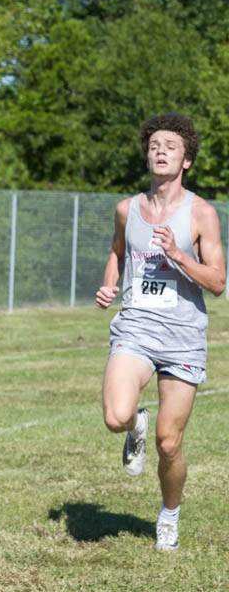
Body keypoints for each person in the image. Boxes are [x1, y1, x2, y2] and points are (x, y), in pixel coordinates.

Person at [96, 112, 225, 551]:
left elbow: (218, 283)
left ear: (186, 159)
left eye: (170, 146)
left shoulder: (202, 213)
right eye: (154, 146)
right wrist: (110, 284)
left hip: (183, 335)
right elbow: (117, 252)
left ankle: (169, 513)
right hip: (136, 326)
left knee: (170, 444)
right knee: (115, 416)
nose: (160, 152)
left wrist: (179, 257)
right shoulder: (127, 210)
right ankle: (136, 424)